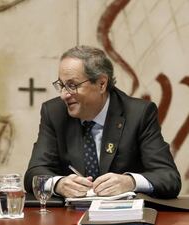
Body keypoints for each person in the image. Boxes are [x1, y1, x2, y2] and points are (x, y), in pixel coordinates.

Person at [24, 45, 181, 199]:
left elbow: (169, 178)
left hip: (124, 218)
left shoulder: (138, 114)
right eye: (62, 85)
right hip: (71, 218)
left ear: (101, 84)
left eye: (72, 85)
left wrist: (130, 182)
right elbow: (34, 174)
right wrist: (58, 184)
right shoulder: (54, 112)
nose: (64, 95)